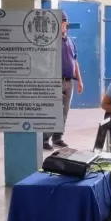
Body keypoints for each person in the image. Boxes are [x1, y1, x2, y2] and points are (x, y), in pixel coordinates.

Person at [42, 12, 84, 149]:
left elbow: (75, 61)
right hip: (55, 81)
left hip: (69, 81)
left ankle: (57, 138)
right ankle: (44, 138)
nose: (64, 24)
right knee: (54, 111)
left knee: (65, 111)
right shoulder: (51, 42)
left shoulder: (71, 42)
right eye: (61, 22)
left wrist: (79, 80)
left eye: (65, 21)